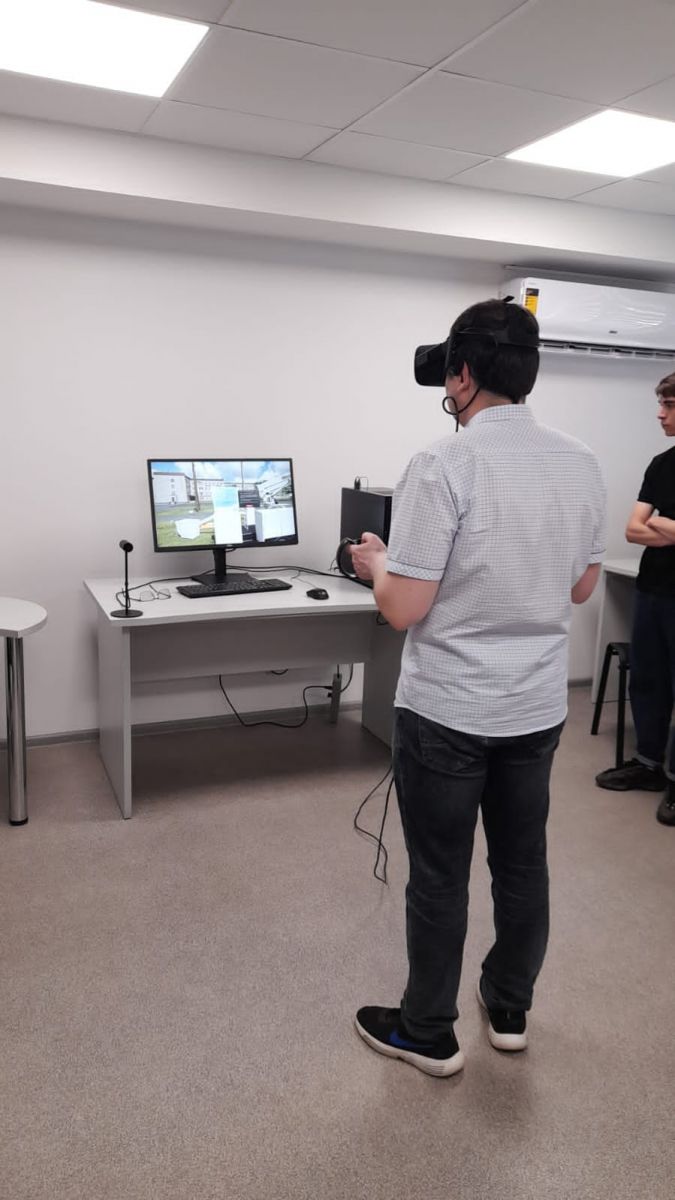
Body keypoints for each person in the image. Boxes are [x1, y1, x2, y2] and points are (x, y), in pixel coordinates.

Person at [349, 298, 606, 1078]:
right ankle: (508, 1006)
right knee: (522, 864)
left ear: (460, 375)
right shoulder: (581, 461)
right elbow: (581, 587)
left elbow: (403, 609)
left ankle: (427, 1030)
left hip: (448, 711)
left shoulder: (442, 464)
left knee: (439, 873)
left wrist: (376, 564)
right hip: (535, 707)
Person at [595, 374, 675, 825]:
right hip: (653, 588)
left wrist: (660, 523)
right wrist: (668, 526)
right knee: (648, 679)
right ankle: (648, 765)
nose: (660, 414)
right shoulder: (662, 464)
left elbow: (650, 524)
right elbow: (632, 528)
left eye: (669, 405)